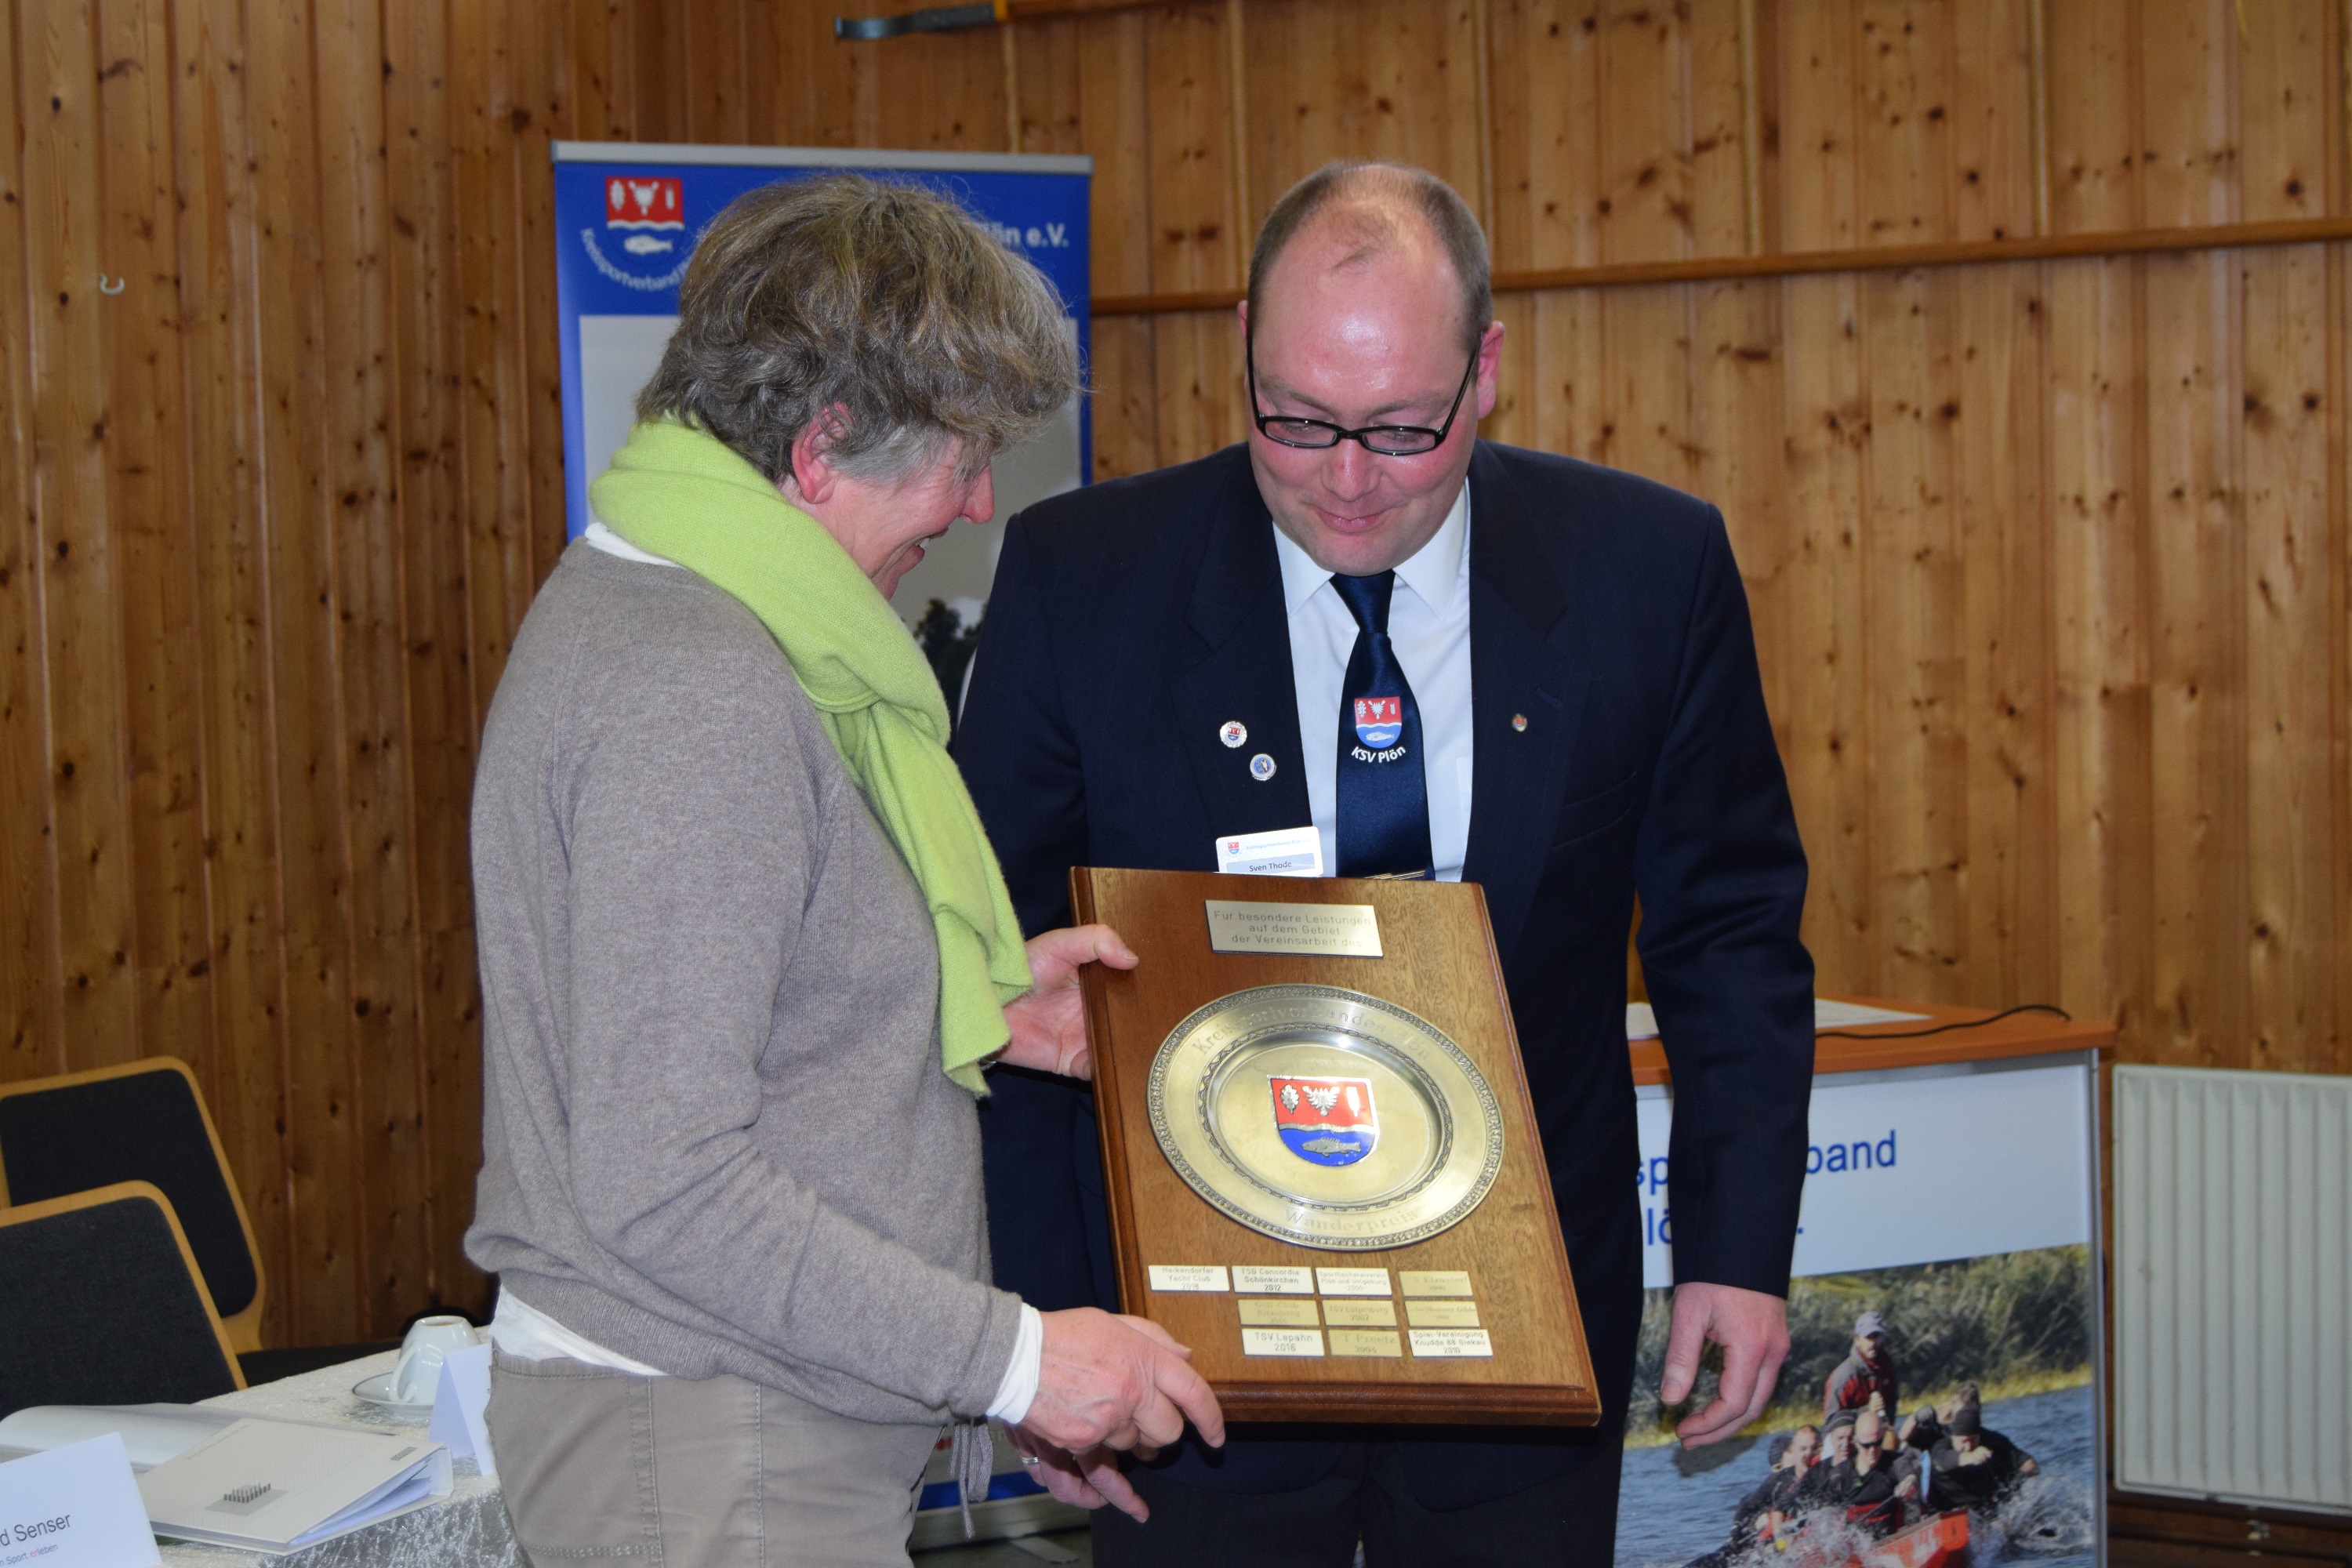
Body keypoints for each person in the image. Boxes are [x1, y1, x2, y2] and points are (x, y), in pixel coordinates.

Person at [954, 159, 1816, 1563]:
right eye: (1296, 419)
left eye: (1405, 430)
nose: (1347, 480)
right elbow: (1000, 971)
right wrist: (1046, 1333)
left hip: (1523, 1332)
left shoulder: (1647, 572)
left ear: (1487, 371)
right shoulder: (1084, 579)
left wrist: (1736, 1248)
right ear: (1244, 343)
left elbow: (1729, 933)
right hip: (1183, 1347)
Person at [464, 174, 1223, 1568]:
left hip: (731, 1428)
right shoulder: (698, 681)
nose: (979, 503)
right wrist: (1019, 1363)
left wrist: (946, 1000)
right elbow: (668, 1180)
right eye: (962, 456)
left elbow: (737, 1015)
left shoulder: (689, 607)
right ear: (821, 449)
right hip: (707, 1443)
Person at [1926, 1406, 2038, 1513]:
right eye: (1964, 1441)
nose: (1968, 1447)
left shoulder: (1992, 1440)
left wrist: (2029, 1469)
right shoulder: (1940, 1447)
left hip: (1982, 1509)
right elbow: (1947, 1460)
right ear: (1954, 1437)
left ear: (1979, 1436)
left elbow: (2023, 1459)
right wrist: (1972, 1457)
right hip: (1946, 1509)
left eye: (1972, 1440)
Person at [1823, 1310, 1900, 1419]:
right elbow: (1831, 1419)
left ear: (1882, 1338)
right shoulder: (1843, 1377)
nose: (1872, 1343)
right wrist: (1867, 1410)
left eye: (1876, 1336)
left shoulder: (1887, 1367)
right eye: (1868, 1337)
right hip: (1850, 1429)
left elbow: (1892, 1404)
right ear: (1857, 1340)